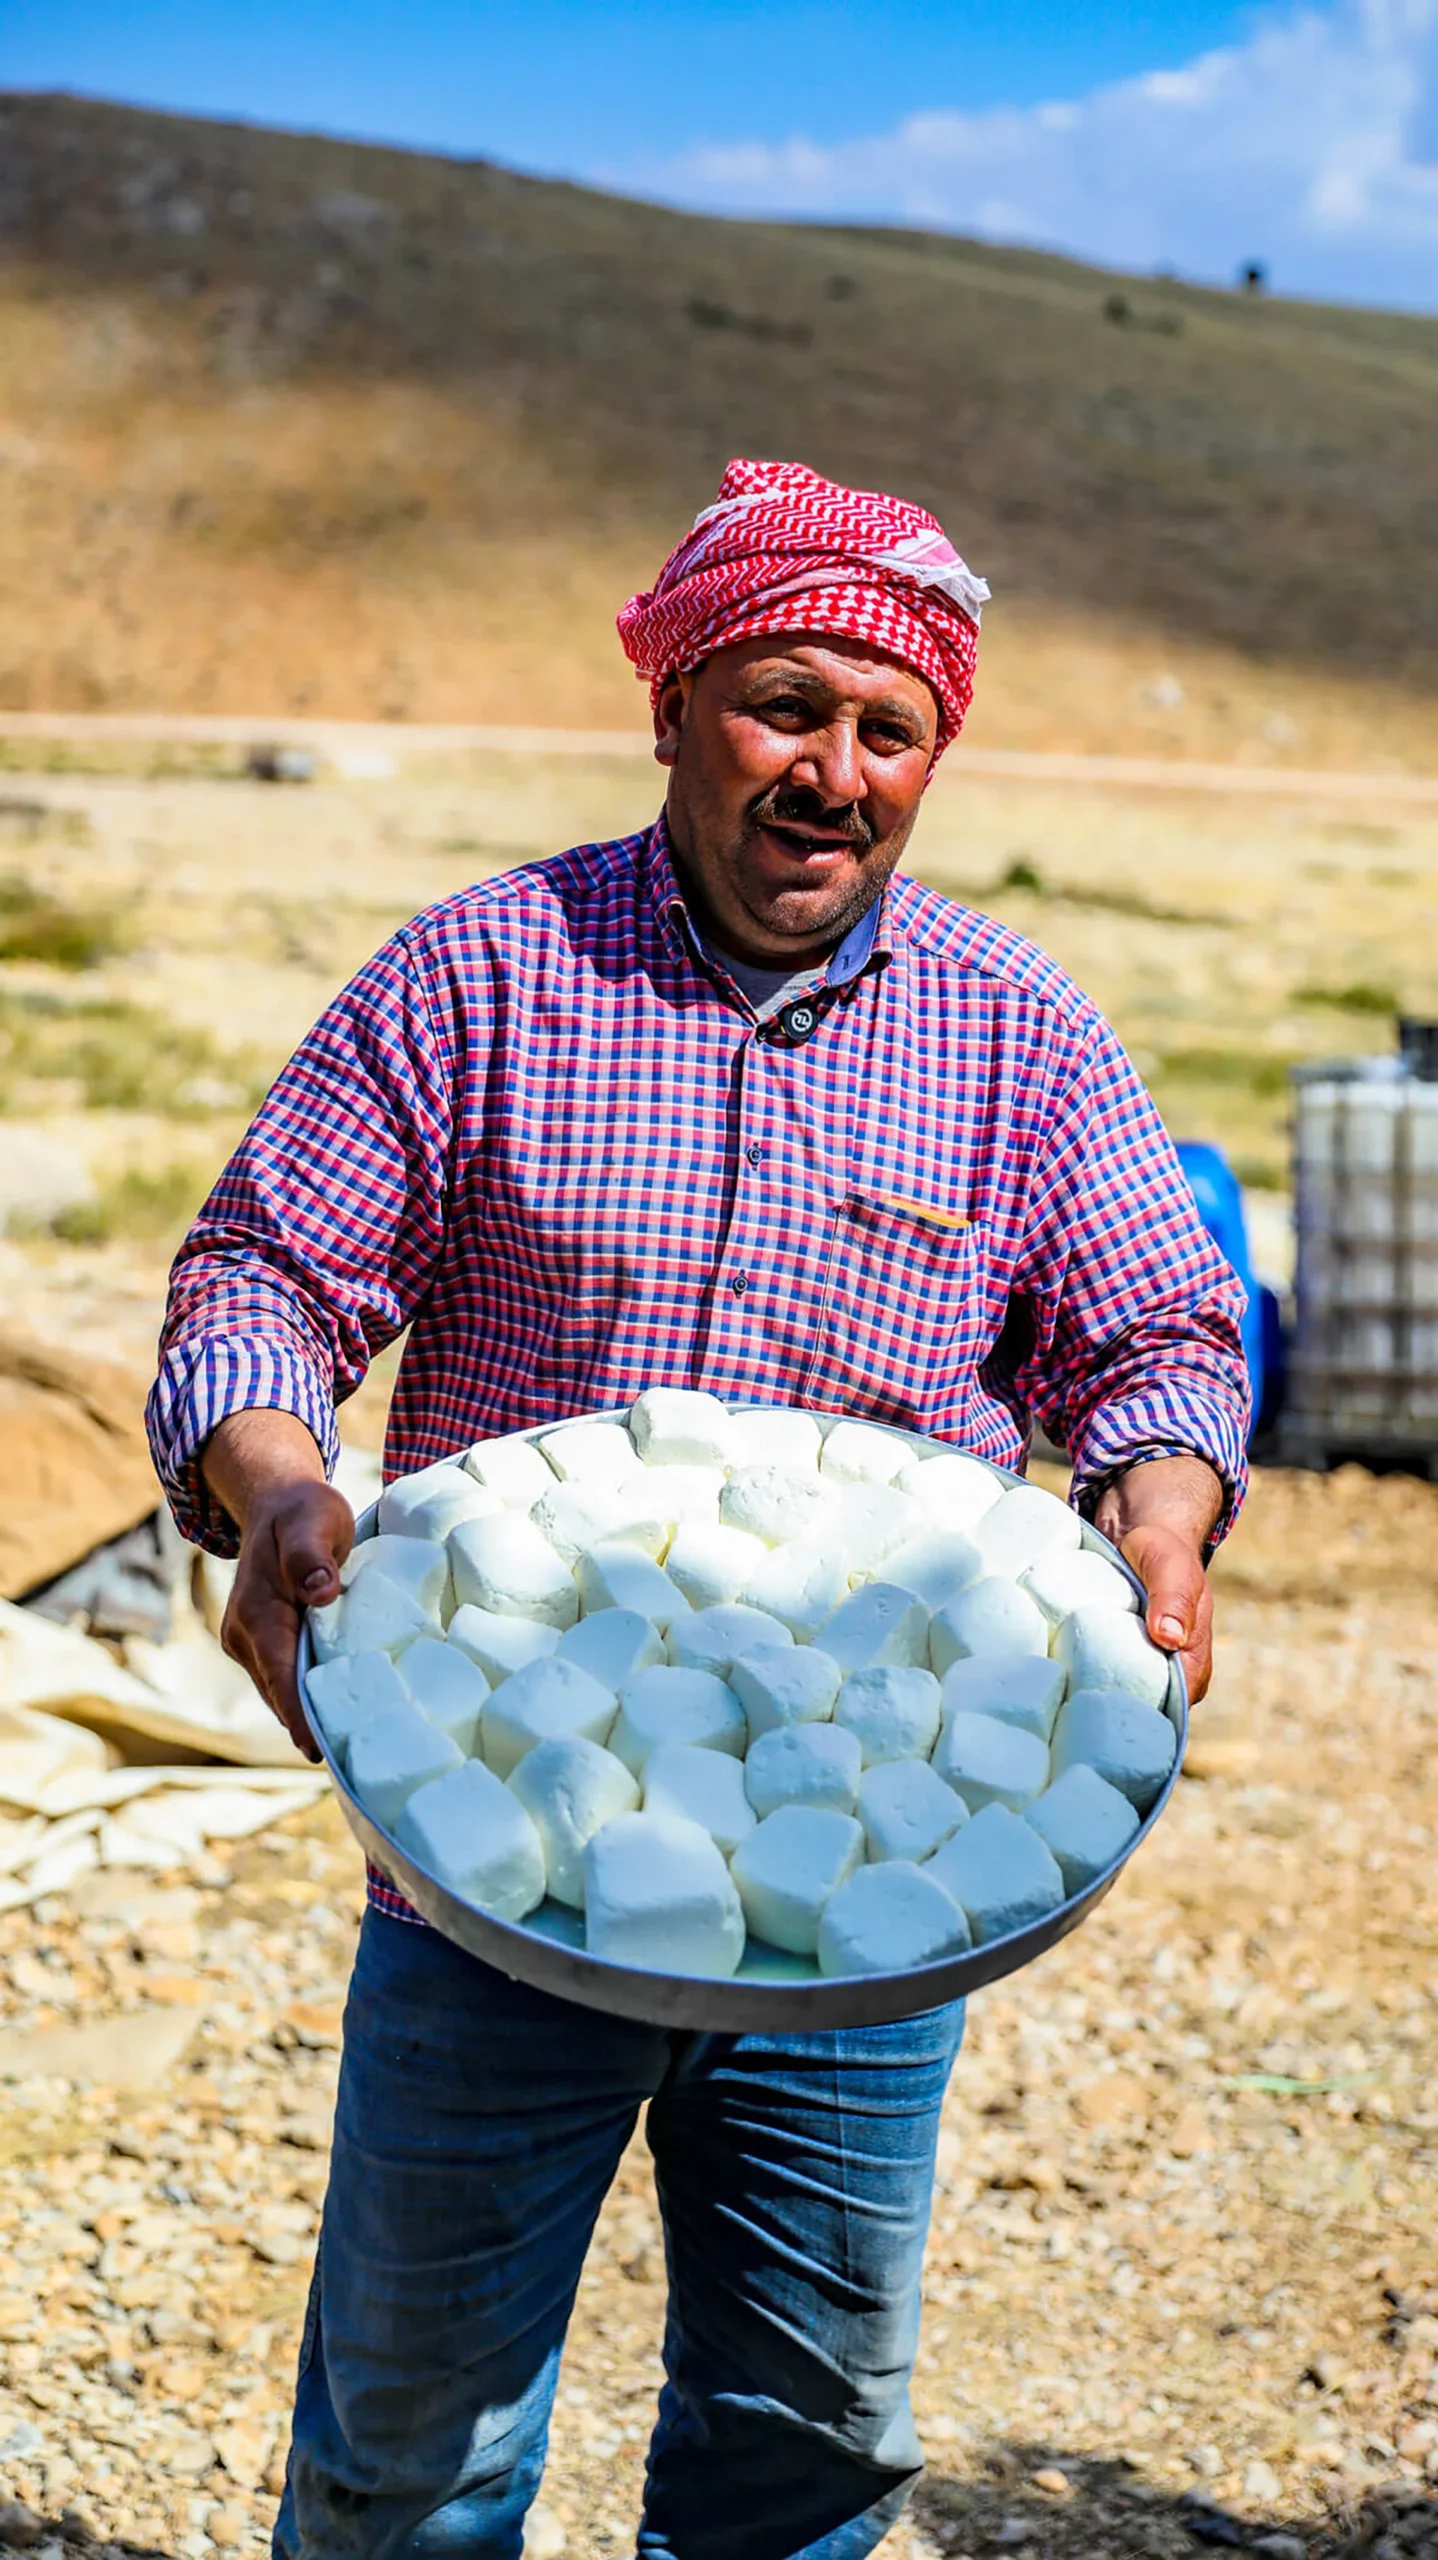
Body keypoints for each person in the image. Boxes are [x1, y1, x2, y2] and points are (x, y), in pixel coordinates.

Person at [148, 456, 1250, 2560]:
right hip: (494, 1879)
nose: (829, 768)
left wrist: (1166, 1508)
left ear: (931, 758)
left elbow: (1152, 1346)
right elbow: (262, 1284)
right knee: (413, 2445)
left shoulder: (1018, 1040)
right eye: (780, 702)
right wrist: (278, 1483)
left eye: (885, 725)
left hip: (868, 1881)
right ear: (666, 705)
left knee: (802, 2440)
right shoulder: (478, 975)